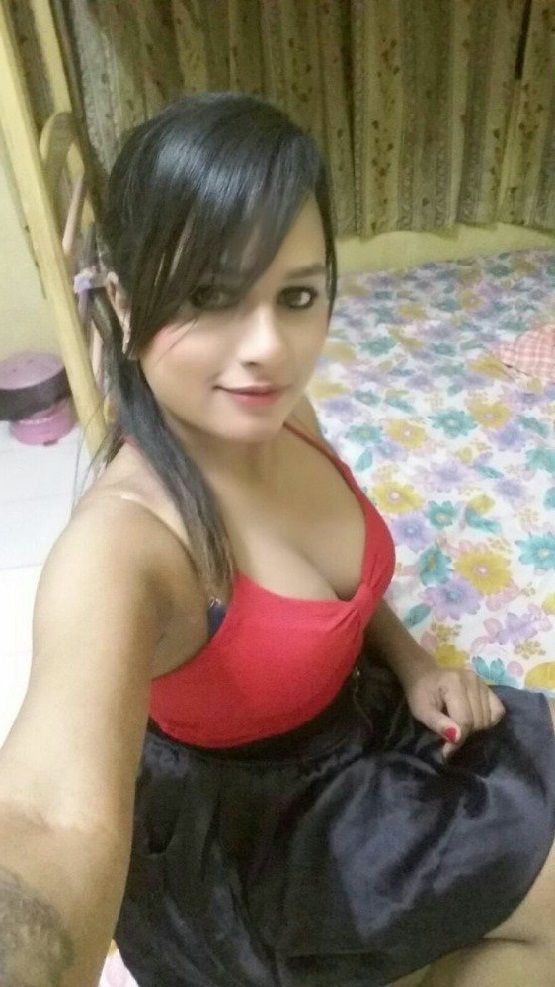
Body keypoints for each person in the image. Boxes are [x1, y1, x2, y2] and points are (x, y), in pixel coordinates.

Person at [0, 92, 553, 987]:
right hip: (267, 830)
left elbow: (344, 599)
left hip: (366, 720)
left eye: (295, 295)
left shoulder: (285, 414)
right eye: (209, 295)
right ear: (127, 304)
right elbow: (47, 819)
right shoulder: (123, 546)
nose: (267, 348)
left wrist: (414, 663)